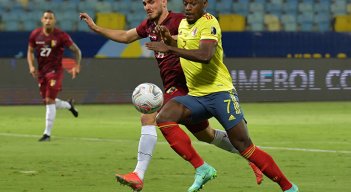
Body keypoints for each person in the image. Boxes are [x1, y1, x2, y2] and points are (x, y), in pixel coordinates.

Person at [80, 0, 262, 191]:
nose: (147, 7)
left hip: (186, 87)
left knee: (149, 116)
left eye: (151, 2)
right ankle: (252, 157)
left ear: (164, 2)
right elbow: (126, 36)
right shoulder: (149, 25)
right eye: (144, 3)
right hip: (178, 88)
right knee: (207, 135)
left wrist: (169, 38)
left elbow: (194, 38)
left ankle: (139, 174)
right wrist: (95, 27)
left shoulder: (180, 20)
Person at [145, 0, 299, 191]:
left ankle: (289, 187)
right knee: (165, 117)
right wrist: (168, 39)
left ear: (204, 4)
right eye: (185, 3)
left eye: (193, 4)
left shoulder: (210, 23)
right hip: (197, 96)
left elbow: (205, 55)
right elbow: (183, 42)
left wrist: (170, 48)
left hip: (220, 94)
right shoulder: (184, 24)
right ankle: (202, 167)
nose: (187, 8)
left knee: (244, 146)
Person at [27, 10, 81, 142]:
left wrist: (77, 65)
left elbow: (77, 50)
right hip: (42, 72)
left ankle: (47, 134)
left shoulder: (61, 36)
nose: (48, 20)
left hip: (55, 72)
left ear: (54, 20)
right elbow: (30, 51)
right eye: (46, 18)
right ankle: (69, 105)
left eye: (50, 18)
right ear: (42, 20)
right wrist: (31, 66)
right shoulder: (35, 34)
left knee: (50, 100)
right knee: (47, 101)